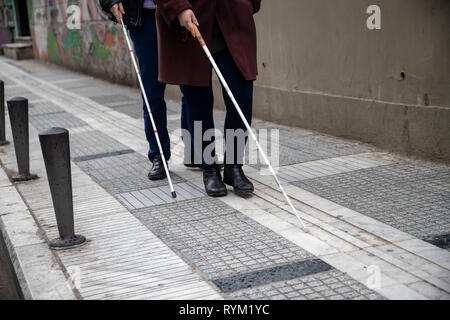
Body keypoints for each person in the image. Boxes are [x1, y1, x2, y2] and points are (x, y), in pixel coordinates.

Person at [154, 0, 261, 197]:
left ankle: (233, 165)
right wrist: (178, 7)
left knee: (241, 97)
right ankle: (210, 168)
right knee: (198, 104)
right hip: (191, 22)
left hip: (233, 19)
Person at [99, 0, 196, 181]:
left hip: (180, 10)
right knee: (152, 89)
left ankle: (195, 149)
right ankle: (158, 153)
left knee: (191, 82)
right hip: (145, 18)